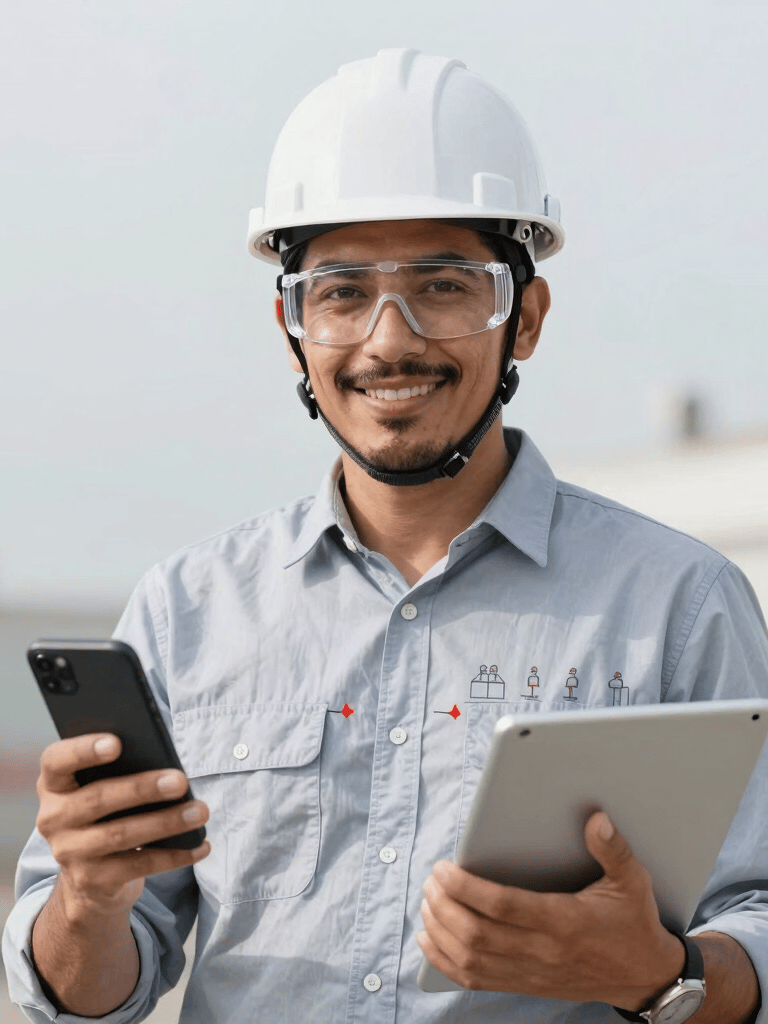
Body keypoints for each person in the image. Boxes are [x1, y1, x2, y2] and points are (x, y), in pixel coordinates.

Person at [4, 48, 768, 1024]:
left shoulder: (678, 604)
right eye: (340, 292)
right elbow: (82, 997)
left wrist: (661, 975)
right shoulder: (186, 611)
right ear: (292, 333)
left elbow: (759, 918)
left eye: (446, 285)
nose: (389, 338)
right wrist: (90, 900)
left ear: (524, 317)